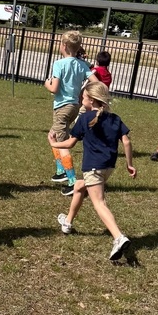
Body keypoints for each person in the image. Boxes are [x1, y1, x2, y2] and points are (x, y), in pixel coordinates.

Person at [48, 80, 136, 262]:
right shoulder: (115, 118)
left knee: (99, 202)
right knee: (80, 186)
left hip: (93, 167)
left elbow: (71, 143)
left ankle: (118, 238)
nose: (82, 100)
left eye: (83, 98)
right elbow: (126, 142)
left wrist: (53, 143)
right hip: (108, 167)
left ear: (92, 100)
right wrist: (129, 164)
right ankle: (68, 222)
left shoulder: (85, 119)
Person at [44, 30, 90, 191]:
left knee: (62, 144)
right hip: (74, 107)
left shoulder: (59, 64)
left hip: (62, 107)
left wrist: (47, 84)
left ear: (64, 45)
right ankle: (60, 170)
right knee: (53, 135)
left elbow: (54, 88)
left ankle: (71, 181)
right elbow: (95, 80)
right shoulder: (82, 64)